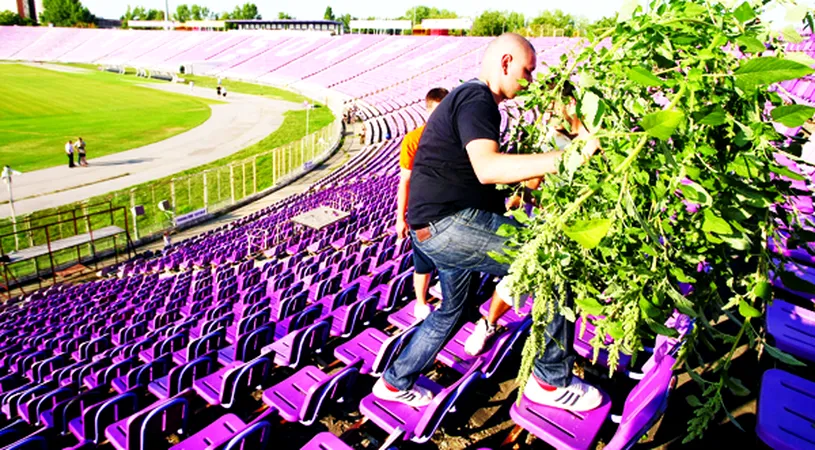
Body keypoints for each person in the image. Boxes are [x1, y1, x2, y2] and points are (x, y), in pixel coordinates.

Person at [372, 33, 602, 412]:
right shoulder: (478, 99)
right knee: (550, 264)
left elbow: (478, 171)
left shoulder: (469, 100)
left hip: (435, 229)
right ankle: (550, 381)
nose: (530, 79)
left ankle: (395, 384)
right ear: (507, 62)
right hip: (450, 226)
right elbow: (487, 167)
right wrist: (571, 155)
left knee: (452, 309)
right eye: (527, 70)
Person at [396, 87, 449, 321]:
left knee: (450, 258)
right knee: (423, 261)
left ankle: (449, 298)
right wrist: (400, 217)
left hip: (449, 210)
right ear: (428, 111)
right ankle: (421, 301)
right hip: (424, 213)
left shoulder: (456, 135)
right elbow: (404, 181)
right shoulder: (413, 139)